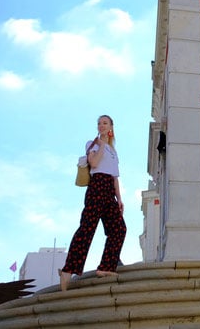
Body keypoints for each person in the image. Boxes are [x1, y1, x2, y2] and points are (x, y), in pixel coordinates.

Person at [60, 114, 126, 291]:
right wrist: (102, 144)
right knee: (87, 228)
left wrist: (119, 199)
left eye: (105, 123)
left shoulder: (114, 151)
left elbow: (115, 177)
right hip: (96, 187)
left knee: (119, 229)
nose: (101, 126)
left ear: (111, 126)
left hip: (109, 192)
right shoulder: (93, 144)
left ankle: (106, 266)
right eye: (99, 123)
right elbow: (94, 164)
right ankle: (68, 270)